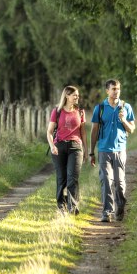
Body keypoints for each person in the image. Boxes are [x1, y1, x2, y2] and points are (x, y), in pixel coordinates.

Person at [90, 79, 135, 222]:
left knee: (120, 183)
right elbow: (94, 131)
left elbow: (132, 129)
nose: (116, 91)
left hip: (120, 150)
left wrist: (123, 120)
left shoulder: (126, 107)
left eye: (118, 89)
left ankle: (120, 207)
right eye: (113, 89)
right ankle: (107, 212)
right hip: (103, 150)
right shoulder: (100, 108)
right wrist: (91, 151)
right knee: (106, 181)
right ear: (107, 91)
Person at [47, 85, 88, 214]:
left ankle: (73, 207)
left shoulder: (80, 112)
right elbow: (49, 132)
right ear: (67, 96)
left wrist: (86, 151)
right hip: (59, 147)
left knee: (73, 178)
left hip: (76, 147)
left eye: (78, 95)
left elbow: (83, 133)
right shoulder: (57, 112)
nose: (77, 97)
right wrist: (52, 146)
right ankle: (61, 206)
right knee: (62, 178)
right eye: (74, 94)